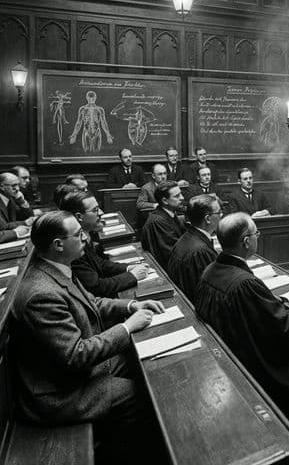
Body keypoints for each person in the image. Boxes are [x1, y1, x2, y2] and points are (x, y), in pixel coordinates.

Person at [11, 211, 165, 465]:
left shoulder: (56, 268)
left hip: (71, 374)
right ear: (58, 245)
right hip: (59, 393)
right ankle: (121, 455)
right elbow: (75, 355)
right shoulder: (41, 294)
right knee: (141, 395)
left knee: (143, 359)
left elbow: (91, 302)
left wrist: (130, 306)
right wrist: (127, 328)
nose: (85, 238)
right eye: (78, 234)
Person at [195, 213, 289, 456]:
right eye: (256, 234)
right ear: (246, 242)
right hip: (252, 368)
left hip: (229, 354)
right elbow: (283, 330)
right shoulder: (244, 283)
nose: (258, 238)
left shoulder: (211, 270)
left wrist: (273, 302)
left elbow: (253, 312)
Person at [62, 191, 148, 298]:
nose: (101, 212)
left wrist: (128, 268)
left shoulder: (83, 236)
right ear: (79, 216)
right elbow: (96, 287)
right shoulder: (73, 246)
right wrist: (132, 276)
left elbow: (100, 264)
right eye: (95, 210)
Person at [167, 194, 222, 302]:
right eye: (218, 212)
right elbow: (212, 293)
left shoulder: (187, 236)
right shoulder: (200, 252)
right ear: (208, 218)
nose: (221, 215)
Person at [140, 181, 185, 270]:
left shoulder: (169, 213)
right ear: (165, 200)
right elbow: (173, 253)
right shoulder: (158, 222)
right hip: (167, 269)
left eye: (181, 194)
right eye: (177, 196)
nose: (182, 198)